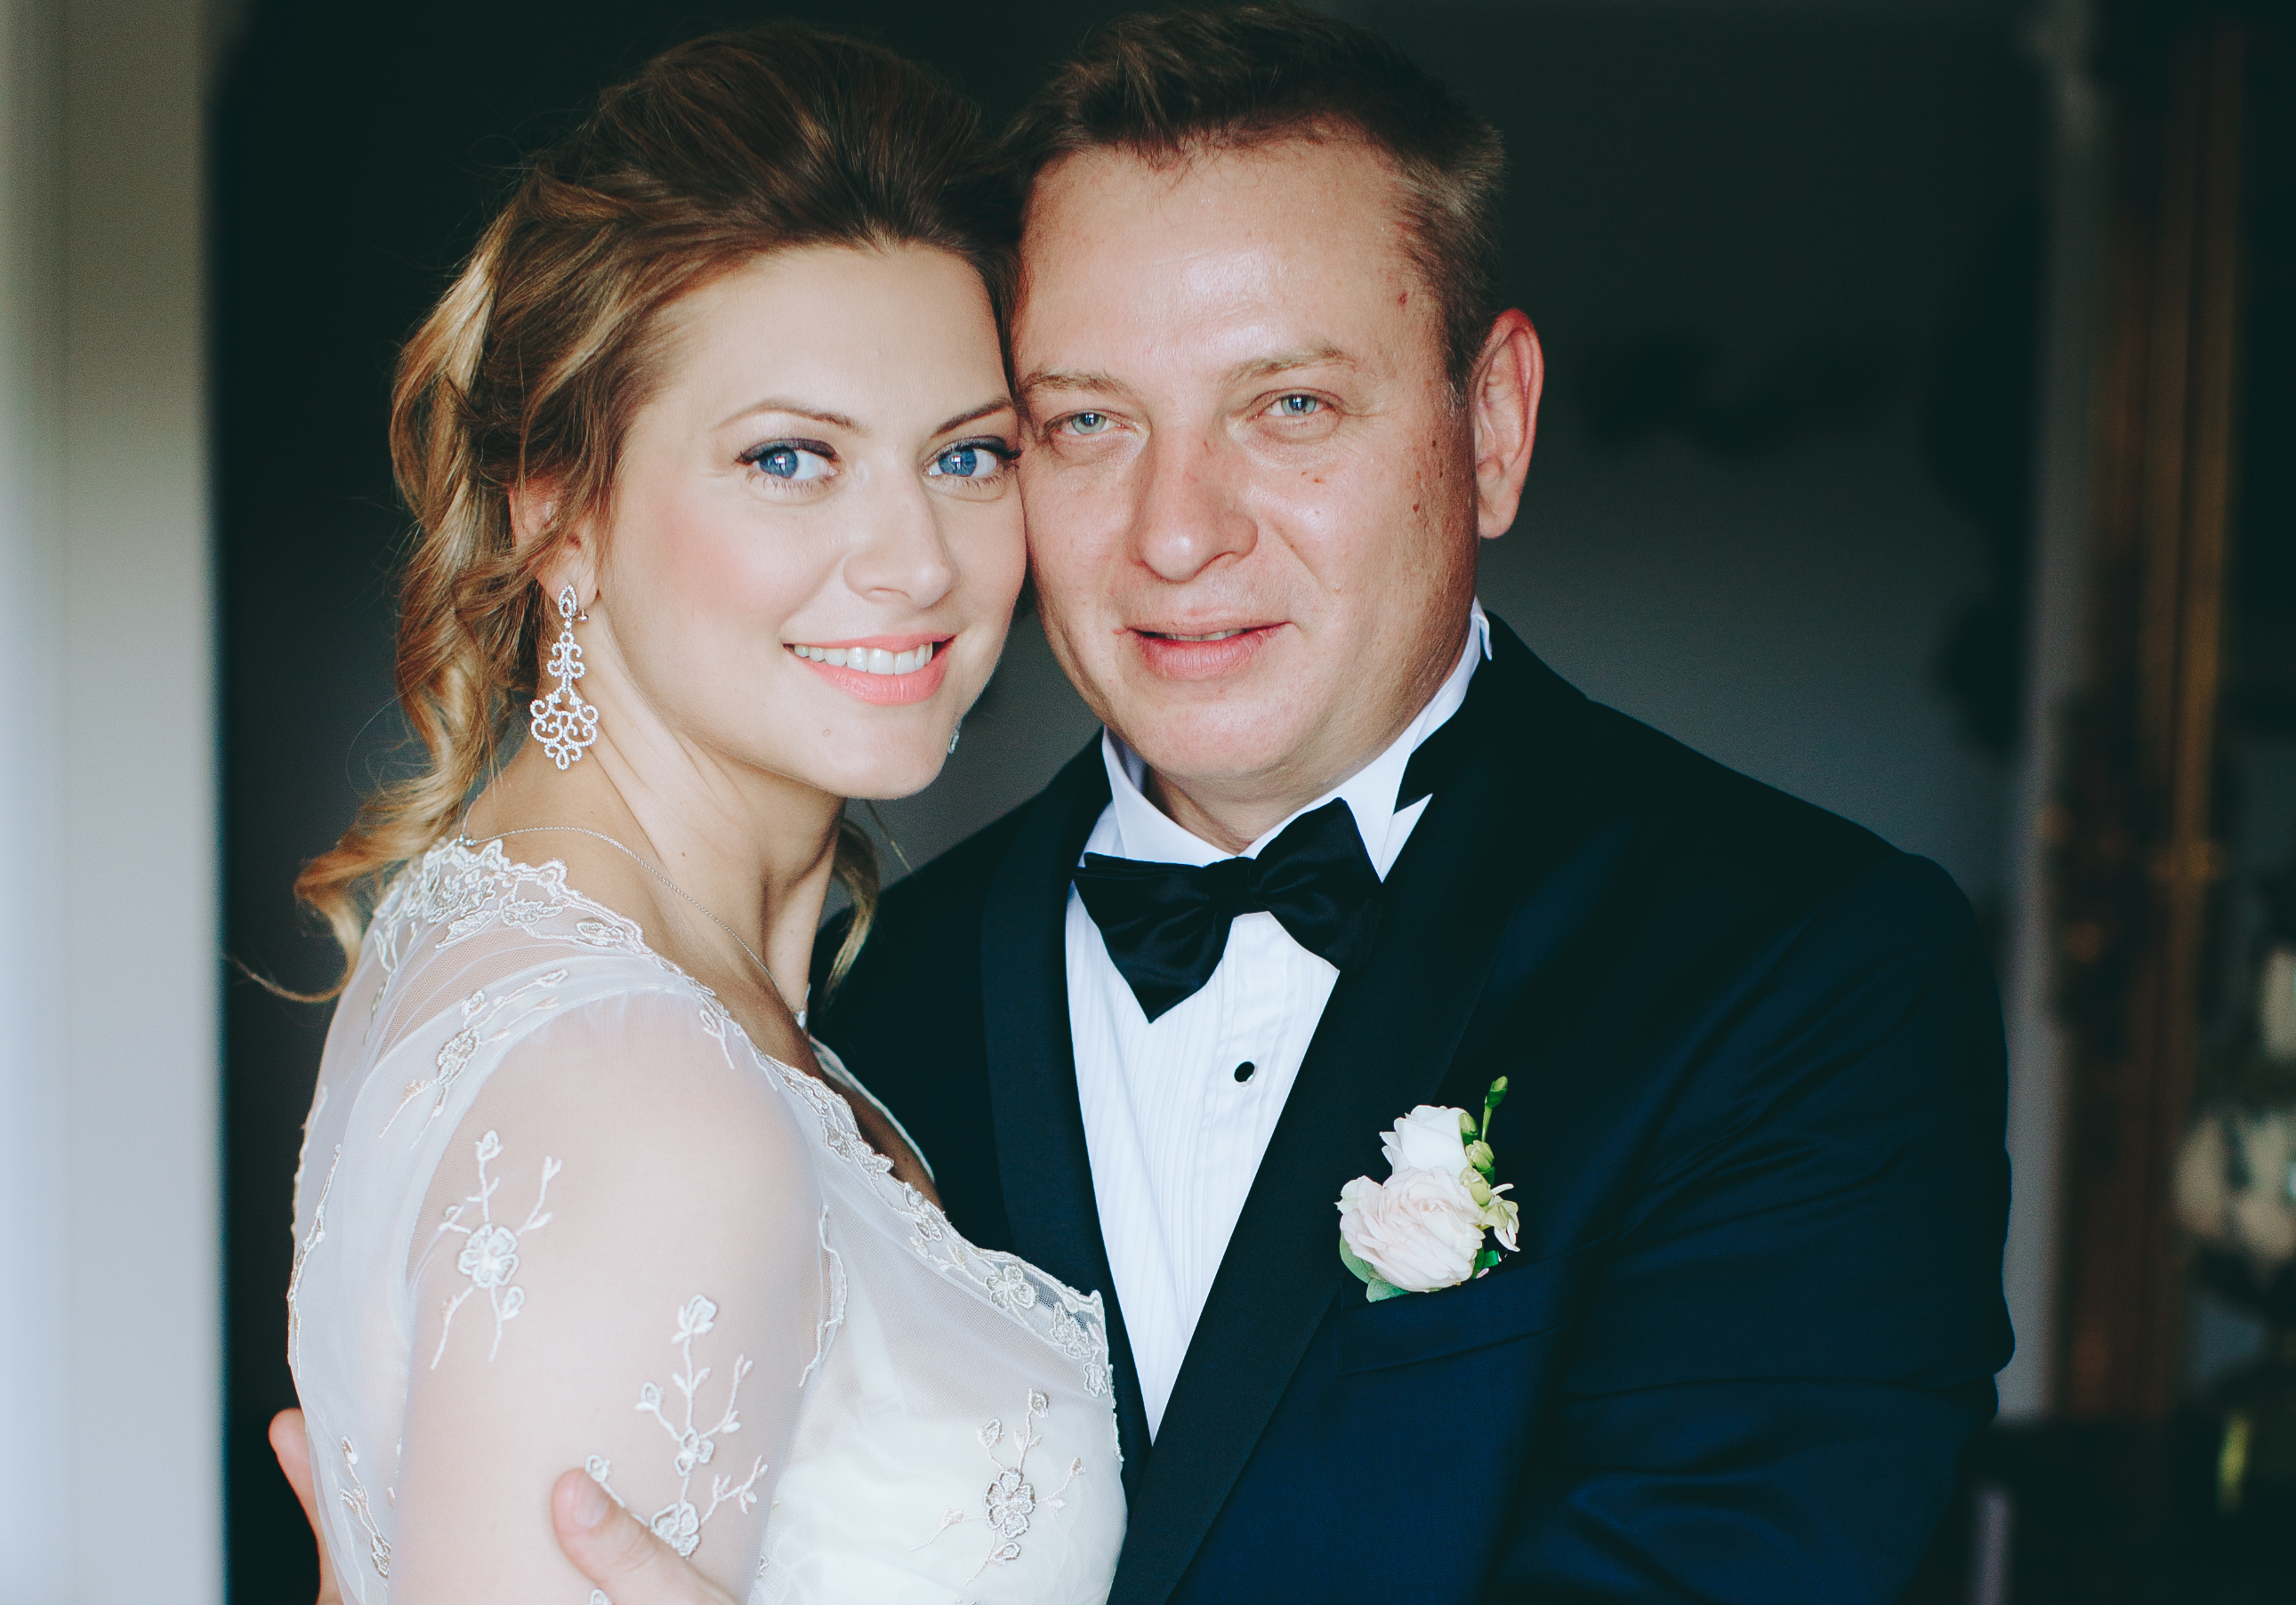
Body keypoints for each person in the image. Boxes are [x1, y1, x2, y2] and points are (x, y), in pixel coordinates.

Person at [282, 6, 2014, 1602]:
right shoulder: (849, 1012)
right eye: (1083, 424)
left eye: (1290, 406)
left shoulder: (1808, 976)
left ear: (1491, 426)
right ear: (557, 509)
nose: (1179, 532)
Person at [278, 25, 1125, 1603]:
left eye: (967, 455)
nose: (915, 562)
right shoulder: (647, 1100)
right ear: (562, 515)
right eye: (790, 458)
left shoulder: (545, 952)